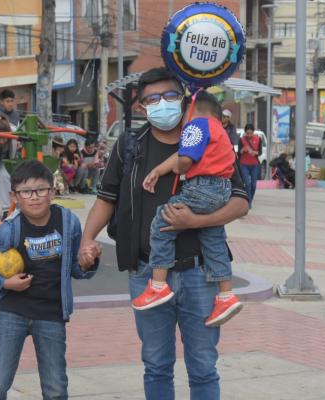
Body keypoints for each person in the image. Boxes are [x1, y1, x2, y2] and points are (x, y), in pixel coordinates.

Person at [78, 67, 249, 400]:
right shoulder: (130, 145)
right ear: (142, 107)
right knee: (156, 365)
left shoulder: (210, 136)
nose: (162, 104)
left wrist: (194, 222)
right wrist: (87, 239)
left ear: (184, 99)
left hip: (200, 274)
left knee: (202, 367)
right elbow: (106, 199)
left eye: (170, 96)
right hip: (146, 274)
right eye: (152, 99)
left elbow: (241, 203)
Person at [0, 160, 100, 400]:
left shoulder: (67, 222)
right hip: (13, 311)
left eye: (41, 190)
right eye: (26, 192)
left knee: (56, 389)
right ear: (15, 196)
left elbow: (75, 267)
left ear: (52, 191)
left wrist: (87, 262)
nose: (34, 197)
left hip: (51, 313)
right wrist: (4, 283)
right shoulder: (8, 229)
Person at [132, 91, 243, 327]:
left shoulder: (196, 126)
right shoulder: (219, 130)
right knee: (213, 239)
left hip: (202, 186)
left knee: (162, 221)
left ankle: (158, 285)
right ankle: (226, 295)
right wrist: (160, 170)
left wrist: (182, 163)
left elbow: (184, 159)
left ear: (191, 112)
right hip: (221, 190)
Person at [238, 123, 262, 208]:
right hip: (244, 164)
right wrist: (243, 150)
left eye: (250, 133)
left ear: (253, 132)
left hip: (254, 165)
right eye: (247, 133)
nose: (249, 135)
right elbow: (239, 153)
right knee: (247, 184)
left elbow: (260, 152)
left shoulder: (258, 139)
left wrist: (255, 153)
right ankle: (248, 202)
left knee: (253, 185)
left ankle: (250, 199)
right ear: (245, 132)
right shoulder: (241, 139)